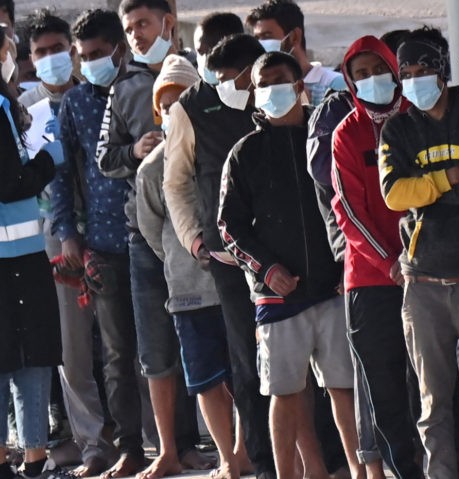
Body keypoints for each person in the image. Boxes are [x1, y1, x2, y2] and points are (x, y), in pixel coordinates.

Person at [218, 51, 361, 479]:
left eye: (280, 80)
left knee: (342, 386)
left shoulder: (326, 138)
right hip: (277, 295)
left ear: (300, 85)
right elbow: (229, 226)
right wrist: (267, 270)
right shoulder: (244, 154)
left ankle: (357, 469)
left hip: (332, 286)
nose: (271, 90)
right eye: (262, 84)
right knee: (284, 390)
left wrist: (344, 264)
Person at [95, 1, 206, 478]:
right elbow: (104, 157)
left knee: (207, 340)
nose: (136, 35)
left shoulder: (201, 76)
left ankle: (207, 444)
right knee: (153, 348)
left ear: (167, 23)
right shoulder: (122, 88)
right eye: (129, 28)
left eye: (142, 24)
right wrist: (131, 150)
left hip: (199, 232)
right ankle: (164, 449)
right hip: (143, 233)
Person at [162, 33, 278, 479]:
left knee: (301, 366)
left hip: (292, 253)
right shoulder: (191, 107)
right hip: (231, 263)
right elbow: (175, 182)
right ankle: (262, 465)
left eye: (235, 77)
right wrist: (194, 239)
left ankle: (315, 461)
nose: (226, 84)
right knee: (247, 367)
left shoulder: (278, 89)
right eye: (219, 77)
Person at [379, 26, 459, 479]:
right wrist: (449, 179)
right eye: (407, 72)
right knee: (433, 403)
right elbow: (395, 195)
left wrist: (431, 192)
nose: (414, 79)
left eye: (423, 69)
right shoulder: (397, 127)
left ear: (442, 68)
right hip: (423, 283)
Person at [137, 54, 240, 479]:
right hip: (187, 291)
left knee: (244, 375)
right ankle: (228, 457)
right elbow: (152, 231)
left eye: (182, 99)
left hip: (232, 285)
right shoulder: (151, 169)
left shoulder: (225, 149)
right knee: (205, 379)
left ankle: (246, 450)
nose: (172, 110)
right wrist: (188, 256)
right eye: (165, 103)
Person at [50, 9, 140, 477]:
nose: (90, 64)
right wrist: (69, 233)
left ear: (118, 51)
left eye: (98, 55)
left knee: (163, 348)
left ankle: (176, 441)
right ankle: (129, 447)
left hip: (152, 238)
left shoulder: (143, 89)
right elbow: (63, 176)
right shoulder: (76, 104)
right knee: (117, 352)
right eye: (83, 57)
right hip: (103, 243)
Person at [330, 34, 422, 479]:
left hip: (427, 274)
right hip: (371, 281)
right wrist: (389, 261)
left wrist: (415, 258)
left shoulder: (417, 120)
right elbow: (348, 210)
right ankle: (403, 470)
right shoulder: (347, 133)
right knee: (384, 392)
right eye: (360, 74)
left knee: (432, 388)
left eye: (378, 69)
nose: (372, 80)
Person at [0, 28, 72, 479]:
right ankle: (32, 459)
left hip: (16, 255)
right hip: (17, 257)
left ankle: (25, 458)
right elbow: (12, 184)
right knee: (29, 356)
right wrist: (52, 156)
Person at [246, 0, 345, 106]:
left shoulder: (335, 84)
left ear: (294, 37)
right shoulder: (262, 85)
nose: (261, 44)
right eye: (257, 39)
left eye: (267, 36)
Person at [192, 12, 243, 79]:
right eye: (200, 52)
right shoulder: (194, 89)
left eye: (212, 52)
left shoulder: (255, 85)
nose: (206, 62)